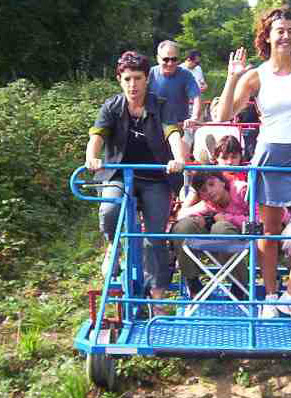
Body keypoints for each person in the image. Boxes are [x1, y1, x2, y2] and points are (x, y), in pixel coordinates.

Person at [216, 7, 291, 327]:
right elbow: (224, 114)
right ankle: (269, 297)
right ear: (267, 35)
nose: (286, 36)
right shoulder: (256, 75)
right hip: (269, 158)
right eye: (279, 30)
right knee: (268, 232)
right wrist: (232, 76)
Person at [85, 51, 187, 314]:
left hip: (155, 177)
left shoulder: (160, 105)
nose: (133, 85)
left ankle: (157, 298)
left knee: (154, 237)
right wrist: (92, 157)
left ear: (146, 80)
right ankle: (112, 246)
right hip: (120, 174)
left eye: (138, 78)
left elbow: (173, 133)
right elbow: (97, 135)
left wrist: (178, 158)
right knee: (110, 209)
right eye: (127, 79)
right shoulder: (112, 106)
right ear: (120, 79)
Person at [172, 171, 249, 300]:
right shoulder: (209, 203)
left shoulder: (242, 190)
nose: (209, 191)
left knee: (221, 227)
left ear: (223, 182)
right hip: (220, 240)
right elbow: (180, 215)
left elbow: (260, 220)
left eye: (212, 184)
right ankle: (193, 283)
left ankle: (239, 285)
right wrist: (208, 218)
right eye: (203, 190)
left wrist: (225, 218)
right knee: (183, 227)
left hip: (248, 236)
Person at [148, 40, 202, 157]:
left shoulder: (186, 75)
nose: (170, 63)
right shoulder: (150, 74)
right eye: (166, 59)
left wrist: (194, 117)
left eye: (174, 59)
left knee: (183, 157)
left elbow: (196, 97)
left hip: (180, 126)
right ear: (158, 58)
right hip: (155, 127)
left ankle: (185, 174)